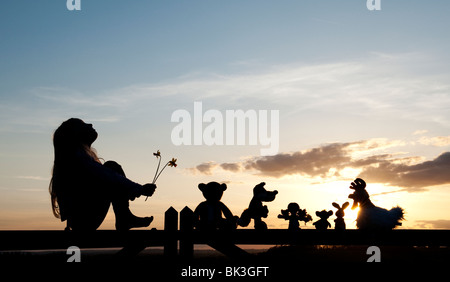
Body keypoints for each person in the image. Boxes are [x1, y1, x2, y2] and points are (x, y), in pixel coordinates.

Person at [49, 118, 156, 231]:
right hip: (84, 218)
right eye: (83, 125)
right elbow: (108, 176)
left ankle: (125, 218)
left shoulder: (75, 159)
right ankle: (124, 218)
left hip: (80, 220)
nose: (90, 124)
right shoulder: (76, 158)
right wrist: (139, 189)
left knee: (111, 170)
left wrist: (133, 190)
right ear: (76, 135)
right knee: (112, 167)